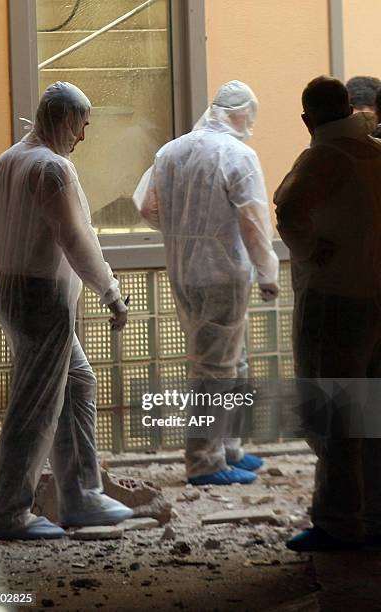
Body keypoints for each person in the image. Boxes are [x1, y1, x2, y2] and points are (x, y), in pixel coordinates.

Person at [0, 82, 133, 540]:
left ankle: (82, 495)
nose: (82, 136)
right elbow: (75, 238)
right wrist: (110, 292)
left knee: (77, 382)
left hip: (13, 288)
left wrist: (7, 279)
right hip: (43, 297)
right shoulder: (53, 169)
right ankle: (9, 514)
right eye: (82, 125)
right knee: (36, 406)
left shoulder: (6, 162)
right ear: (65, 120)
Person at [135, 80, 279, 486]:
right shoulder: (239, 155)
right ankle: (204, 460)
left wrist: (184, 232)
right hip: (225, 272)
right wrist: (267, 273)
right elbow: (253, 223)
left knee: (228, 360)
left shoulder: (171, 150)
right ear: (243, 113)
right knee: (217, 370)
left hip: (183, 270)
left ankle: (230, 447)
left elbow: (147, 205)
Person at [275, 75, 381, 551]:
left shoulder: (322, 157)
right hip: (376, 298)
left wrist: (310, 250)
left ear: (307, 119)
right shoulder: (376, 153)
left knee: (337, 417)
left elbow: (289, 208)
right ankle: (375, 515)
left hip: (335, 301)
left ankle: (338, 522)